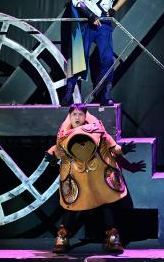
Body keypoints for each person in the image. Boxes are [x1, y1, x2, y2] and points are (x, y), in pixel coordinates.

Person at [45, 103, 145, 253]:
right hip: (78, 179)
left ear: (85, 116)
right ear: (69, 116)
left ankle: (112, 238)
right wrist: (52, 157)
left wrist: (123, 150)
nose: (77, 117)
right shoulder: (64, 134)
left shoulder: (98, 130)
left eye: (80, 114)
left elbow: (113, 147)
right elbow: (58, 151)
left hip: (98, 177)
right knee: (72, 207)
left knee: (107, 205)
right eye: (74, 114)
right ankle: (62, 237)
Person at [63, 0, 130, 105]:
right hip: (87, 24)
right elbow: (76, 1)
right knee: (79, 58)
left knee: (107, 59)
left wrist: (114, 9)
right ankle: (68, 94)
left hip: (104, 24)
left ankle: (105, 95)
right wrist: (90, 15)